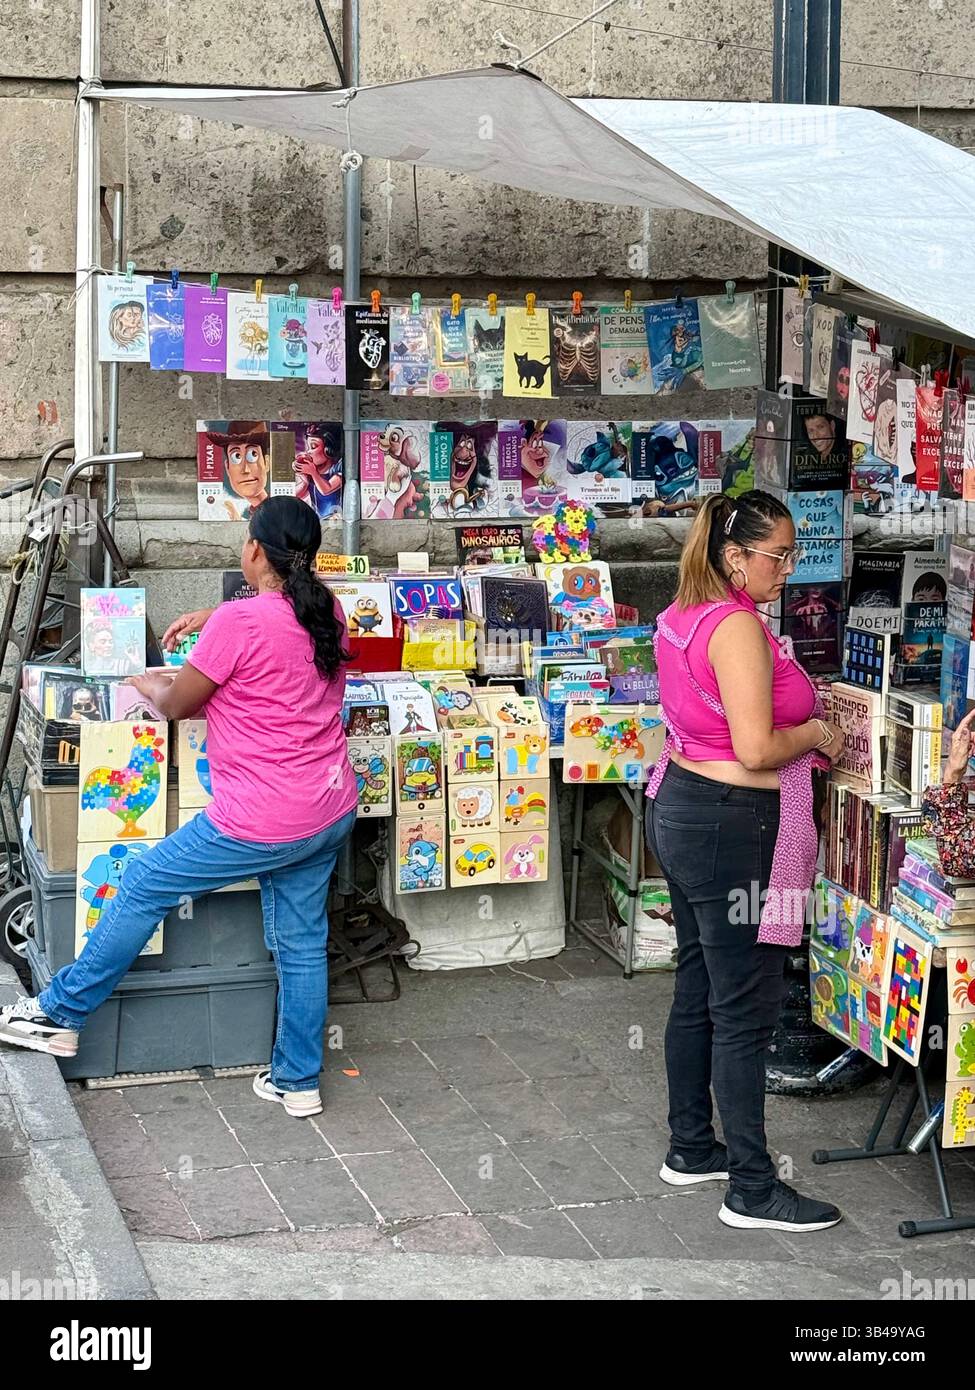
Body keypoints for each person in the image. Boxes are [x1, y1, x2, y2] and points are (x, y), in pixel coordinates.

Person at [0, 498, 357, 1119]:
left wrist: (144, 681)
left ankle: (59, 1014)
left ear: (253, 550)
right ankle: (296, 1081)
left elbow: (177, 703)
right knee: (301, 943)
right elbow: (275, 629)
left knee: (141, 884)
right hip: (328, 807)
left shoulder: (239, 625)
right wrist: (218, 615)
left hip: (261, 818)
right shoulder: (327, 610)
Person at [646, 490, 847, 1232]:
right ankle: (753, 1189)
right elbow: (759, 745)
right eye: (778, 556)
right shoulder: (733, 627)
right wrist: (818, 734)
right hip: (735, 829)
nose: (787, 571)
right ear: (735, 556)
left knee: (698, 985)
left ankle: (692, 1146)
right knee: (744, 1010)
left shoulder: (681, 613)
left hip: (684, 809)